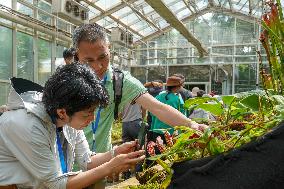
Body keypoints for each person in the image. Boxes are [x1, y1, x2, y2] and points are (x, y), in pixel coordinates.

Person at [0, 63, 145, 188]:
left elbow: (86, 161)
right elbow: (55, 184)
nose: (92, 118)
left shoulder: (66, 117)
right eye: (87, 113)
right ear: (62, 112)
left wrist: (115, 153)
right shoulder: (28, 125)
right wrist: (110, 167)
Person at [72, 23, 208, 155]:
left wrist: (192, 125)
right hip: (63, 168)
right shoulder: (67, 83)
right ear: (77, 55)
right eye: (88, 61)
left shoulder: (119, 81)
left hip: (100, 165)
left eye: (103, 57)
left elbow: (158, 107)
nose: (97, 66)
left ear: (109, 48)